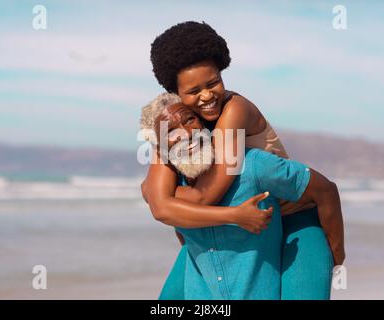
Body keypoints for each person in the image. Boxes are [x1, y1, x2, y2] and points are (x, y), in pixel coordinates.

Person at [142, 21, 345, 299]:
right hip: (250, 229)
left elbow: (202, 198)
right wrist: (160, 196)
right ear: (176, 94)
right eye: (192, 91)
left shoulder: (233, 110)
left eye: (213, 82)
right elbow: (156, 201)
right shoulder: (176, 124)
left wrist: (337, 253)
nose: (206, 96)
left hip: (293, 219)